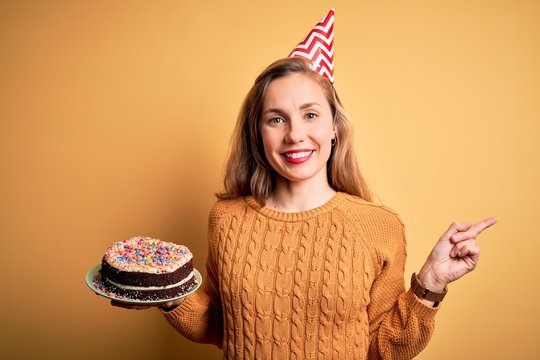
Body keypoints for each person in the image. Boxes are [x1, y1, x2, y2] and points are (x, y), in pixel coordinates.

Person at [112, 10, 496, 360]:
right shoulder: (226, 219)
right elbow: (218, 326)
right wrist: (161, 291)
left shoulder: (378, 225)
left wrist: (430, 282)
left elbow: (385, 349)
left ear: (333, 128)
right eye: (276, 119)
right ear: (258, 133)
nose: (295, 134)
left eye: (310, 114)